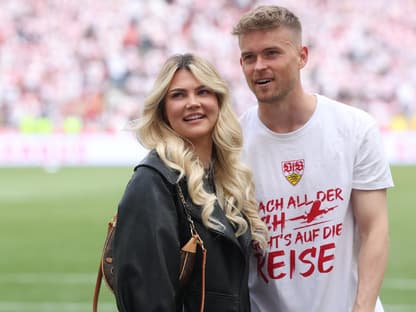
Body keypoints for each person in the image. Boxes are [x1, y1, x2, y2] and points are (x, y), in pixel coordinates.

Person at [232, 5, 394, 312]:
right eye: (248, 57)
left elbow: (374, 229)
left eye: (271, 53)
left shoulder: (354, 128)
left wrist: (362, 309)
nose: (258, 66)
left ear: (302, 56)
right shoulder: (232, 141)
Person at [113, 53, 268, 311]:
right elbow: (147, 299)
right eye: (178, 95)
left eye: (203, 92)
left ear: (217, 100)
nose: (192, 103)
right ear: (162, 108)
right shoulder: (153, 182)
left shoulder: (224, 176)